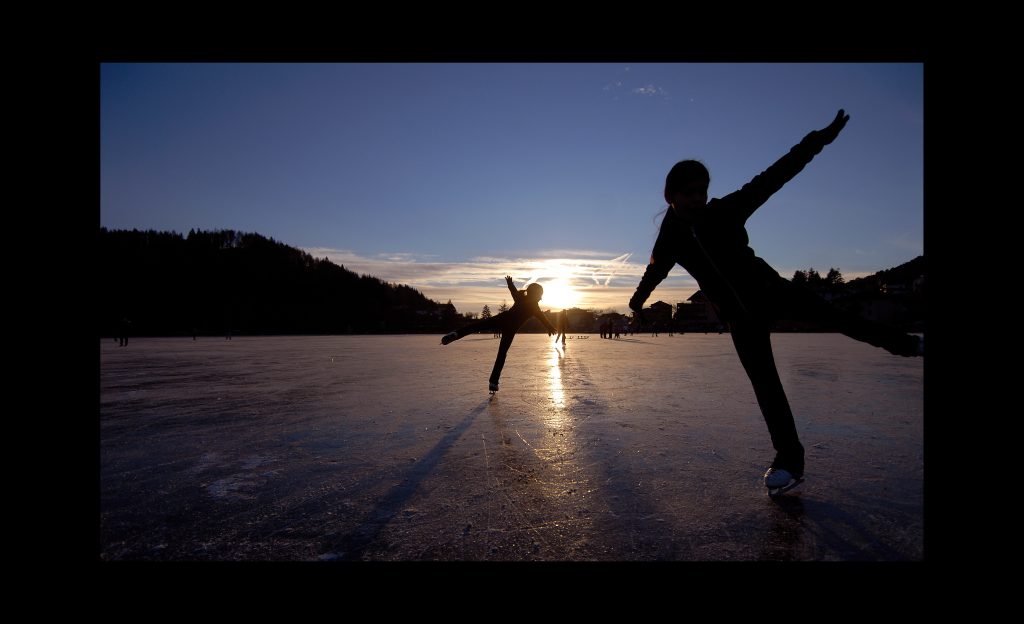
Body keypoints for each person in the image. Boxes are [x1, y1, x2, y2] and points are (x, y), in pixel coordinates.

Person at [628, 109, 922, 495]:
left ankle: (910, 345)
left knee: (839, 318)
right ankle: (789, 461)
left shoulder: (726, 210)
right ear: (670, 196)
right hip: (740, 317)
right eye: (689, 193)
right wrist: (636, 303)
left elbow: (775, 175)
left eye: (702, 191)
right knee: (767, 388)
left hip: (773, 292)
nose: (698, 199)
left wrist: (816, 141)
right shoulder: (670, 238)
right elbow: (654, 272)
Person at [441, 276, 557, 393]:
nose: (540, 298)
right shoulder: (534, 307)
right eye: (540, 295)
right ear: (536, 295)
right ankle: (493, 382)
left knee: (476, 326)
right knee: (501, 354)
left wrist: (510, 283)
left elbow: (513, 291)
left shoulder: (520, 297)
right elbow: (543, 318)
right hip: (510, 329)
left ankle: (456, 334)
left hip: (502, 319)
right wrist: (550, 327)